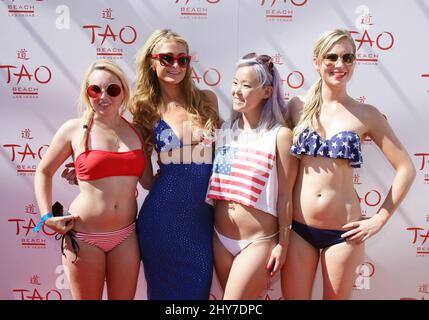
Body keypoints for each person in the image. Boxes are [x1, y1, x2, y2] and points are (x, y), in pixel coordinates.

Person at [281, 29, 416, 300]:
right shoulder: (297, 107)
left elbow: (407, 168)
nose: (340, 64)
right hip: (297, 230)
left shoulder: (367, 114)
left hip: (344, 235)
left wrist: (379, 219)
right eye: (332, 56)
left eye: (348, 57)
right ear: (317, 60)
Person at [34, 60, 150, 299]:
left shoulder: (136, 130)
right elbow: (44, 171)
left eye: (112, 89)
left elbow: (148, 182)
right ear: (87, 93)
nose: (103, 96)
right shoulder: (74, 130)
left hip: (126, 236)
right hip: (85, 237)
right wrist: (46, 216)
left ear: (124, 93)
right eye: (95, 89)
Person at [130, 29, 220, 299]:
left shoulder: (207, 100)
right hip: (161, 219)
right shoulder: (144, 108)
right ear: (152, 61)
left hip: (201, 220)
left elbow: (223, 154)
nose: (176, 66)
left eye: (183, 59)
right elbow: (146, 179)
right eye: (167, 58)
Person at [205, 53, 298, 299]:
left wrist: (284, 245)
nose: (237, 90)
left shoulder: (280, 136)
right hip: (220, 240)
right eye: (235, 82)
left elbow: (285, 195)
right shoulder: (225, 130)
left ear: (267, 92)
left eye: (246, 85)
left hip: (258, 243)